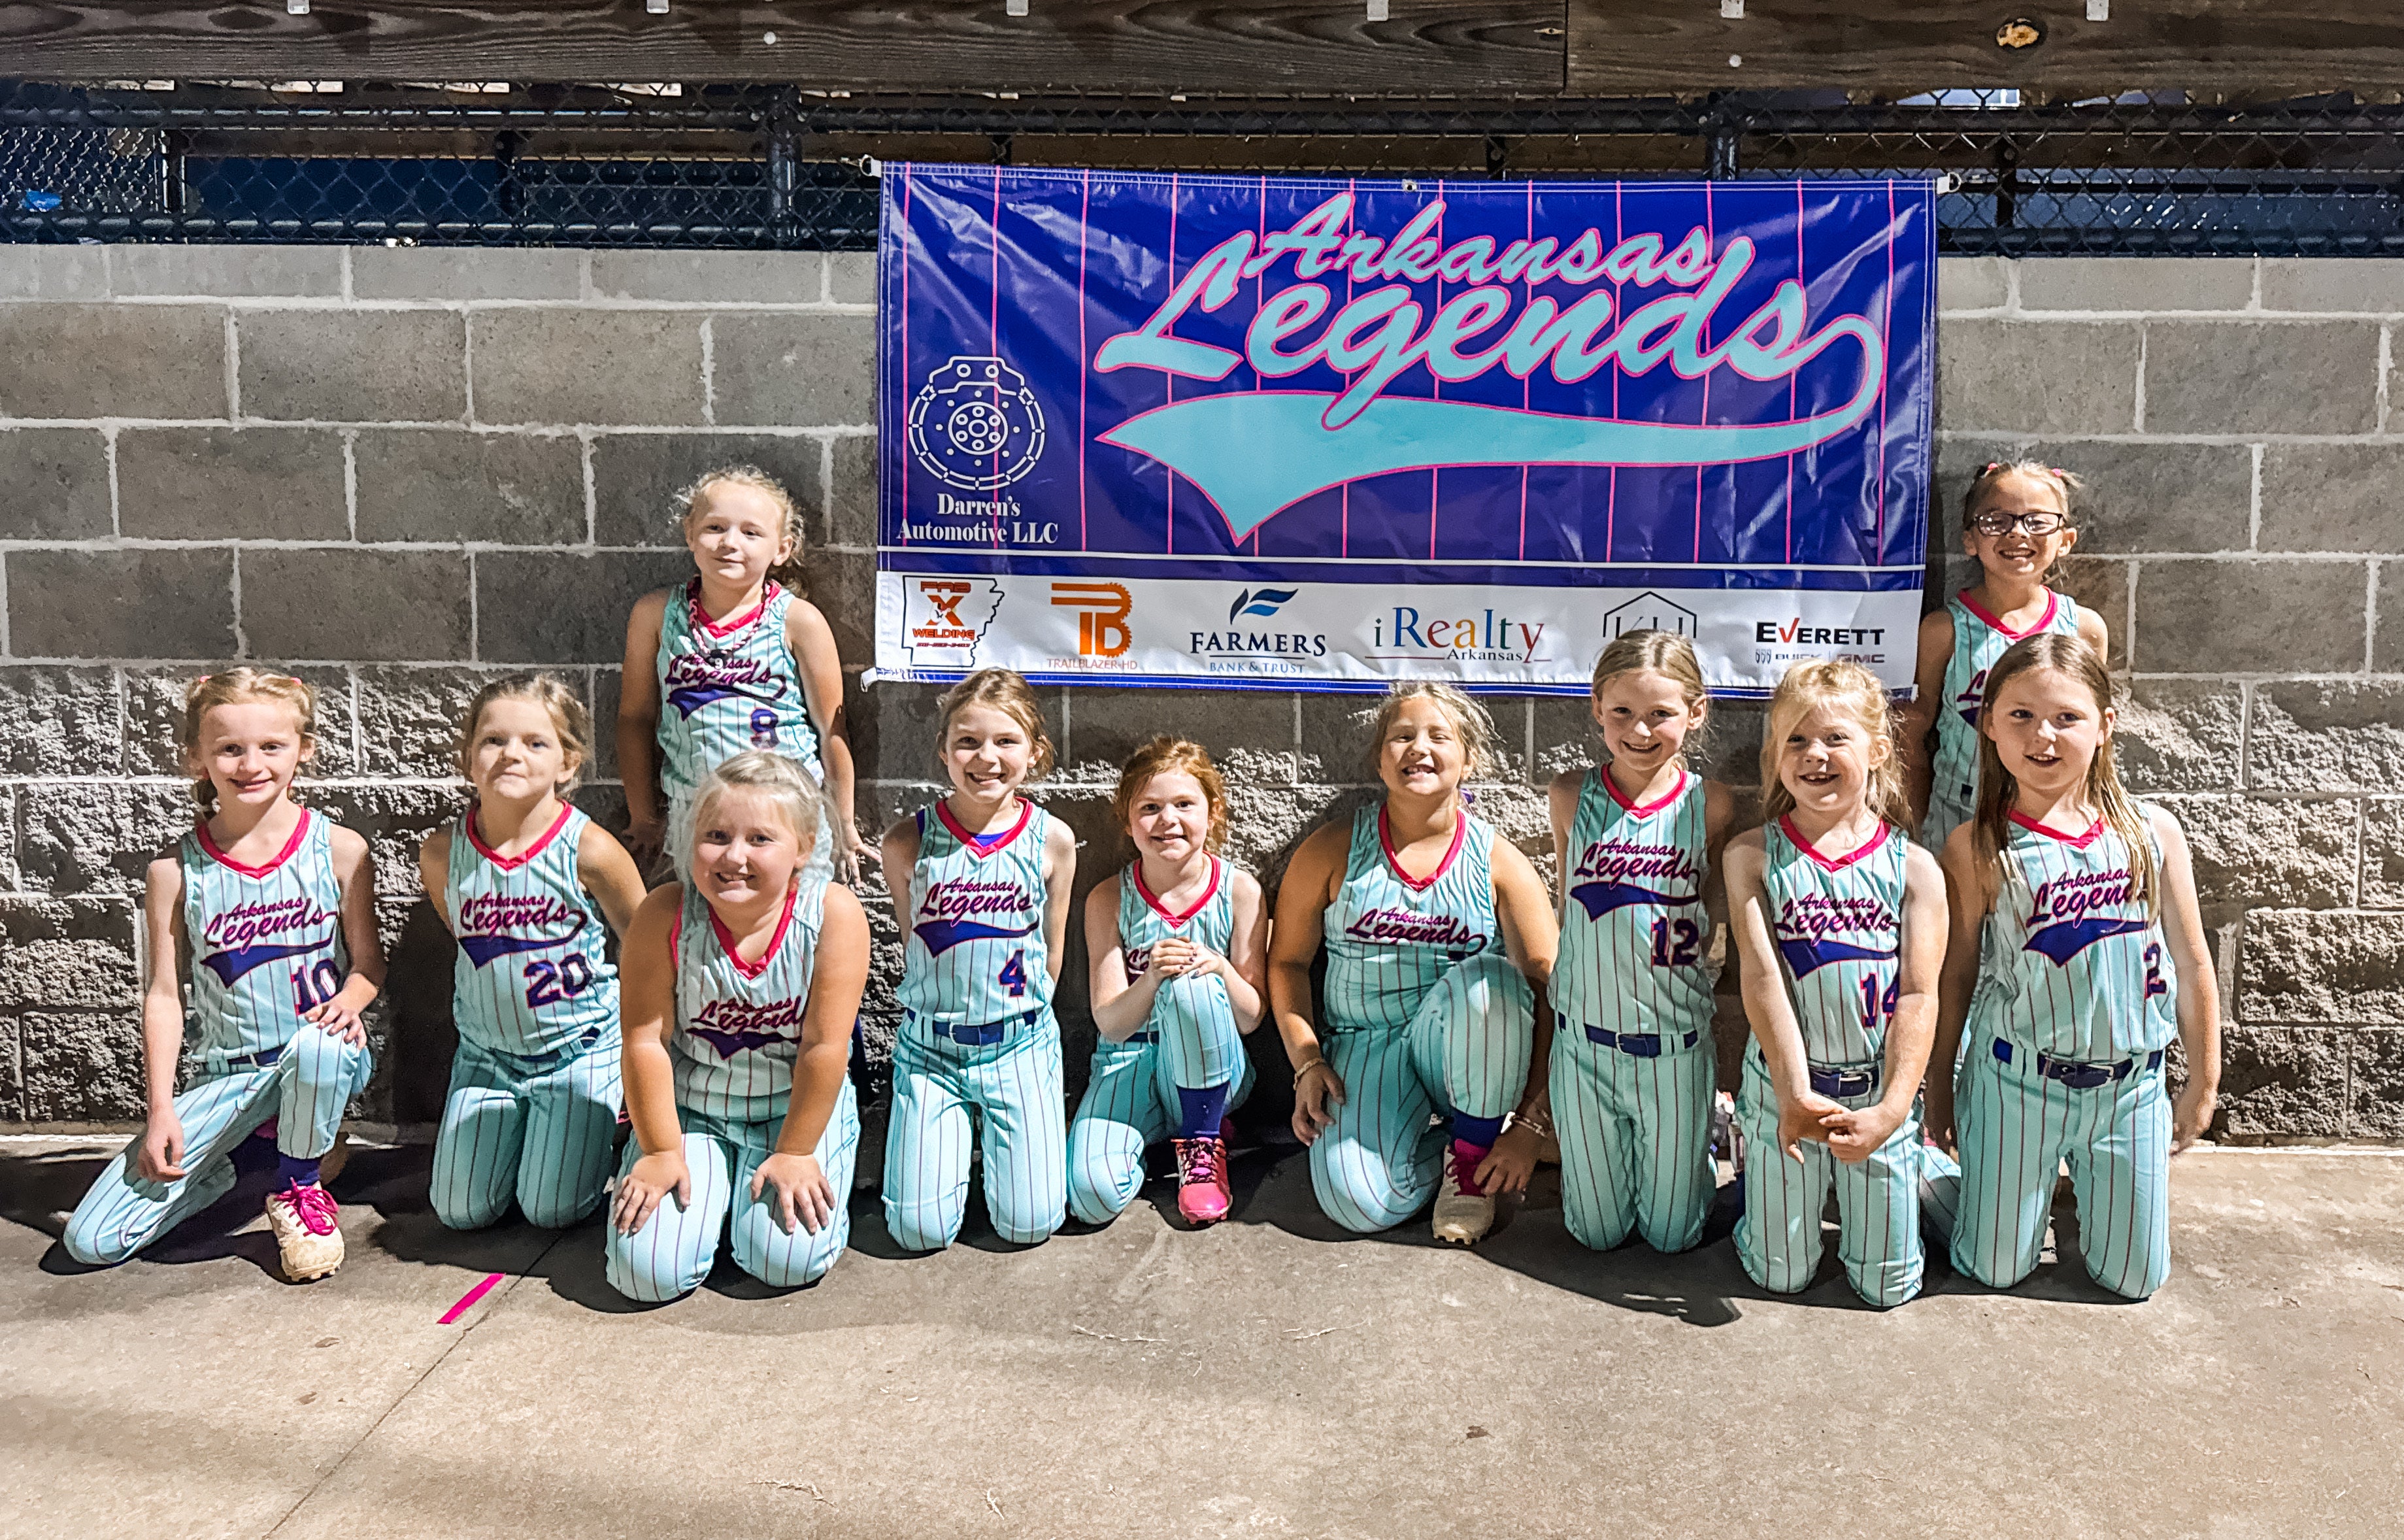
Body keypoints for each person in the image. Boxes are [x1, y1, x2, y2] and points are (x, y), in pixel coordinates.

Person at [1923, 633, 2220, 1300]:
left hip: (2128, 1089)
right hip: (2019, 1081)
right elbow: (1958, 976)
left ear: (2105, 726)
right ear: (1990, 724)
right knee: (1993, 1269)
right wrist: (1938, 1086)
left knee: (2134, 1280)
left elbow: (2192, 959)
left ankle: (2075, 1193)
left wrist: (2203, 1080)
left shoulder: (2152, 833)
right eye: (2021, 715)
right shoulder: (1978, 845)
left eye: (2067, 717)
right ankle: (1937, 1182)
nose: (2044, 736)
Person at [63, 669, 382, 1282]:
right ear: (197, 759)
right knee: (91, 1241)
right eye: (230, 749)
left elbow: (369, 966)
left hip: (321, 1060)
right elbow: (164, 994)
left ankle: (299, 1186)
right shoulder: (174, 872)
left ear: (304, 750)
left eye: (271, 746)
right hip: (229, 1077)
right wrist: (161, 1110)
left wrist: (350, 999)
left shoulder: (339, 850)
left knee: (317, 1045)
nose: (250, 763)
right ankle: (263, 1154)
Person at [1269, 682, 1559, 1245]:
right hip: (1366, 1044)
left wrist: (1529, 1119)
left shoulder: (1498, 860)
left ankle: (1474, 1162)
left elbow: (1549, 987)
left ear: (1468, 761)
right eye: (1401, 737)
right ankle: (1451, 1150)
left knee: (1492, 985)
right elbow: (1287, 963)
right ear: (1380, 760)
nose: (1418, 748)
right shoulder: (1332, 849)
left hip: (1465, 1049)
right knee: (1359, 1204)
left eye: (1438, 737)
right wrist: (1305, 1061)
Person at [605, 752, 869, 1301]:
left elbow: (824, 1047)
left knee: (784, 1260)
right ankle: (710, 1201)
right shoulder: (664, 914)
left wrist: (796, 1152)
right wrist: (658, 1150)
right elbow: (644, 1042)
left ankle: (737, 1205)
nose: (734, 856)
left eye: (760, 840)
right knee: (646, 1276)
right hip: (694, 1108)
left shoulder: (833, 914)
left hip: (790, 1110)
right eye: (717, 835)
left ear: (803, 845)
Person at [1724, 660, 1947, 1308]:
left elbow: (1919, 996)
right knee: (1779, 1274)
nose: (1814, 755)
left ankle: (1923, 1164)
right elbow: (1762, 976)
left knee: (1887, 1288)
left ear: (1877, 750)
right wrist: (1793, 1093)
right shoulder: (1751, 856)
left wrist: (1894, 1109)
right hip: (1785, 1090)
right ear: (1774, 753)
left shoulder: (1916, 869)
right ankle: (1751, 1149)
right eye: (1795, 739)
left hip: (1875, 1092)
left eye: (1834, 739)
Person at [420, 676, 646, 1233]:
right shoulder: (442, 852)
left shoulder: (590, 849)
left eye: (535, 742)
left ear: (568, 762)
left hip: (578, 1049)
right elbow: (471, 946)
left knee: (552, 1211)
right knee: (462, 1211)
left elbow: (646, 945)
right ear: (468, 757)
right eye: (493, 741)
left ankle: (618, 1115)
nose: (511, 754)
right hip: (487, 1057)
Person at [1539, 630, 1736, 1256]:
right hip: (1585, 1044)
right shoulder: (1572, 795)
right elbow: (1571, 905)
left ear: (1696, 712)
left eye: (1661, 714)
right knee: (1595, 1234)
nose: (1640, 730)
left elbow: (1709, 911)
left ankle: (1707, 1139)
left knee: (1671, 1237)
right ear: (1597, 707)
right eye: (1622, 712)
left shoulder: (1710, 803)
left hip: (1672, 1047)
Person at [879, 670, 1077, 1252]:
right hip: (931, 1048)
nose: (985, 757)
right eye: (967, 742)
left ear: (1034, 752)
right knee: (918, 1232)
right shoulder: (906, 842)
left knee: (1030, 1225)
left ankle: (1005, 1155)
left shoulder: (1052, 839)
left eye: (1005, 741)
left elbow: (1052, 949)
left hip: (1019, 1043)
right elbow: (911, 933)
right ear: (944, 753)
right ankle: (941, 1160)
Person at [616, 465, 865, 882]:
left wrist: (844, 824)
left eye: (751, 533)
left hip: (785, 815)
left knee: (790, 930)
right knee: (701, 932)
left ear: (782, 549)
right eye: (715, 527)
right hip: (698, 815)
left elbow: (832, 731)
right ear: (690, 534)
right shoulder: (656, 614)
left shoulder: (798, 621)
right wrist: (643, 817)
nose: (730, 543)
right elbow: (635, 719)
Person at [1067, 738, 1269, 1229]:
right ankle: (1173, 1133)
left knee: (1191, 984)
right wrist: (1152, 977)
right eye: (1150, 808)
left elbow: (1250, 1017)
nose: (1167, 821)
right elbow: (1111, 1025)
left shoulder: (1239, 891)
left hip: (1216, 1060)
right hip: (1130, 1059)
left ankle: (1201, 1143)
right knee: (1092, 1197)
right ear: (1128, 818)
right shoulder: (1109, 898)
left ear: (1212, 812)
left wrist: (1218, 968)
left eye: (1184, 805)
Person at [1900, 460, 2109, 852]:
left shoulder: (2084, 629)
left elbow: (2094, 735)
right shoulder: (1944, 630)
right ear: (1970, 540)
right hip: (1960, 813)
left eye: (2038, 521)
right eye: (1996, 521)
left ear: (2065, 539)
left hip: (2052, 823)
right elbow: (1915, 731)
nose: (2017, 533)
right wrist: (1917, 819)